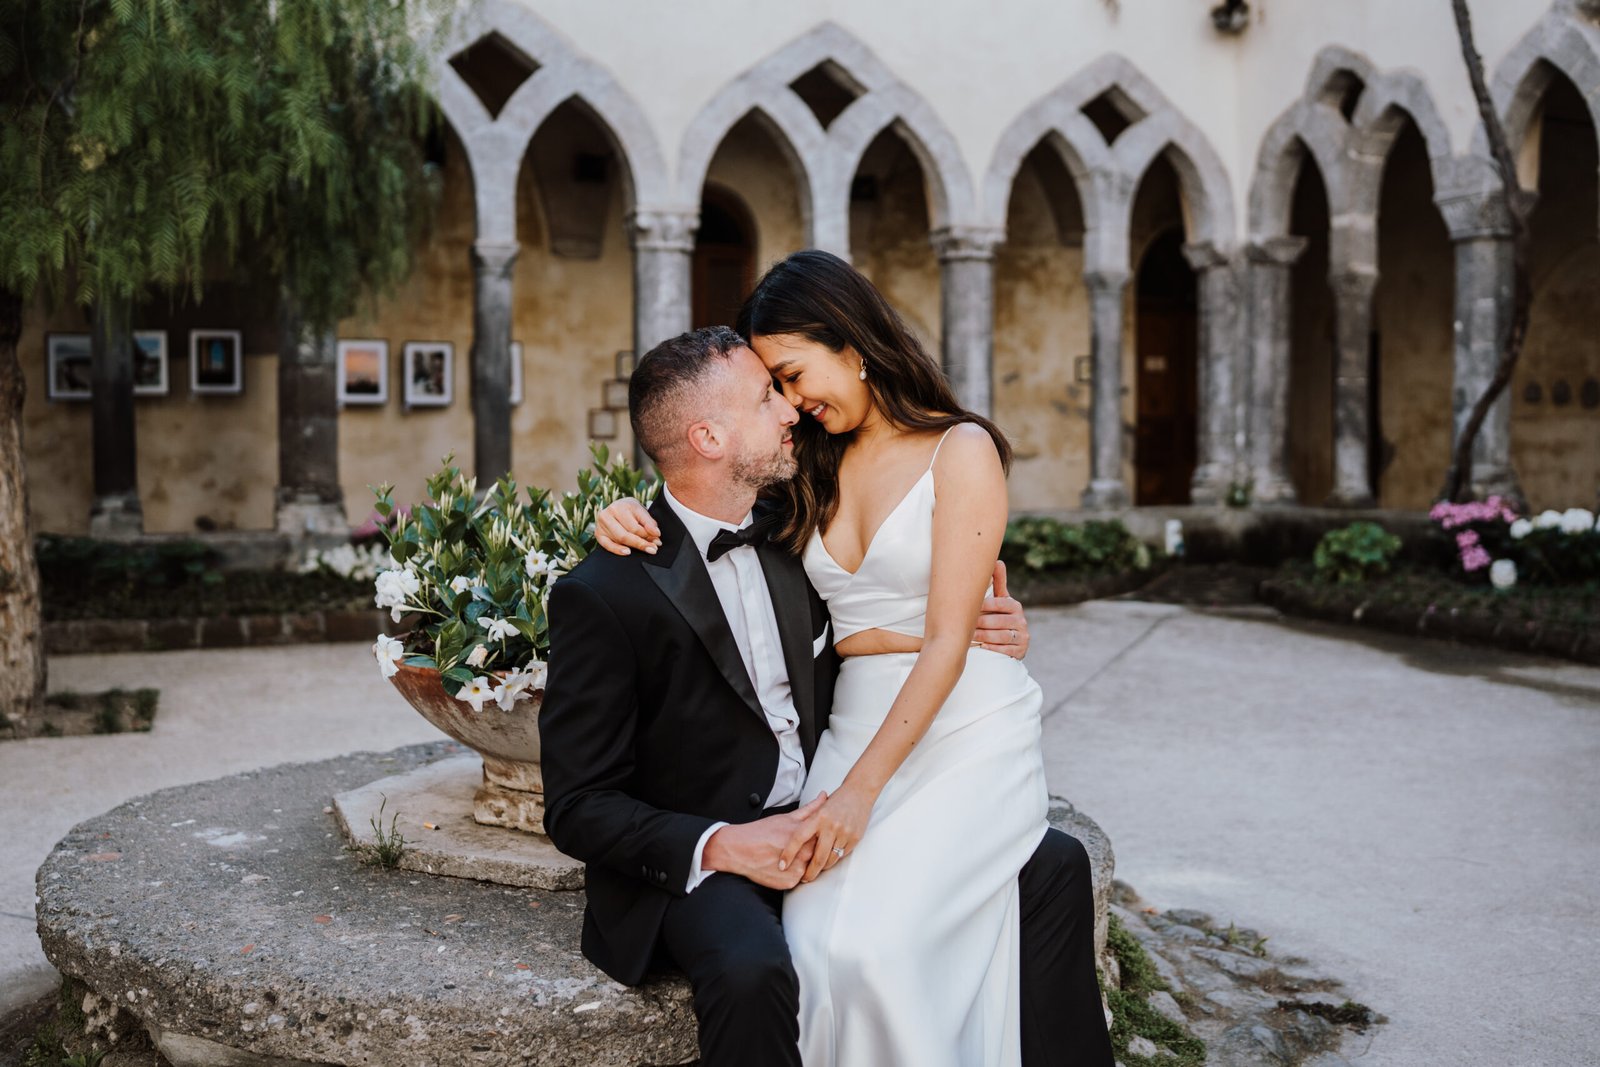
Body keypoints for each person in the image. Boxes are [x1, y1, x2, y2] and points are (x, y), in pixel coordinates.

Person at [543, 313, 1108, 1064]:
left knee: (1053, 865)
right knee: (755, 970)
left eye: (787, 386)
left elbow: (889, 599)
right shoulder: (606, 590)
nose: (790, 409)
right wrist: (726, 845)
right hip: (709, 848)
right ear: (709, 438)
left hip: (824, 797)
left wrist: (989, 621)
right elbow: (578, 805)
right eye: (766, 396)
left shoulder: (795, 528)